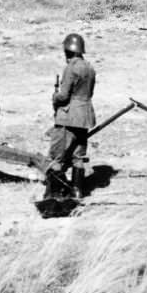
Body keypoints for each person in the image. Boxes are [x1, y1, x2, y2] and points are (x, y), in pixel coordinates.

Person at [44, 33, 96, 200]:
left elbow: (64, 96)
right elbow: (90, 93)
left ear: (68, 50)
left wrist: (55, 96)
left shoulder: (71, 68)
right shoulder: (89, 68)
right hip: (85, 116)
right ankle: (77, 192)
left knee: (56, 156)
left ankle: (54, 194)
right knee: (78, 157)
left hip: (68, 117)